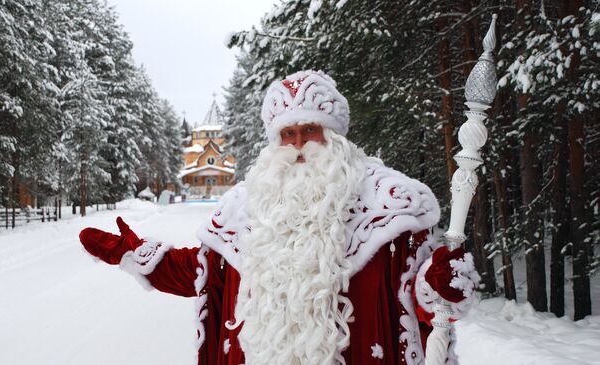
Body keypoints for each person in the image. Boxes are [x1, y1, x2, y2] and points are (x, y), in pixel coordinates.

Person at [79, 70, 480, 365]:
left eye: (310, 129)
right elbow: (203, 274)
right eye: (288, 134)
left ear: (334, 135)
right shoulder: (245, 205)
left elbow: (422, 298)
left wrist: (439, 285)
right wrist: (131, 252)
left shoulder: (390, 207)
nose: (299, 143)